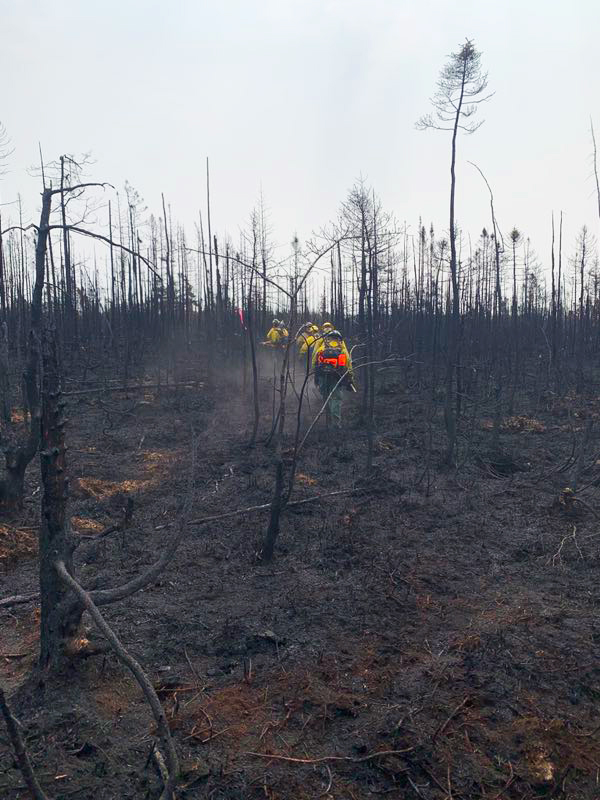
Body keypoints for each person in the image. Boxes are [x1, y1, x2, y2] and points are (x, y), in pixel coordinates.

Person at [311, 325, 355, 428]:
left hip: (323, 376)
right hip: (337, 377)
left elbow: (314, 362)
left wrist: (315, 376)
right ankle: (336, 424)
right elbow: (348, 365)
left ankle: (328, 420)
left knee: (326, 397)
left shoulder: (322, 348)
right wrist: (351, 378)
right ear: (339, 339)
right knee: (336, 399)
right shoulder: (342, 349)